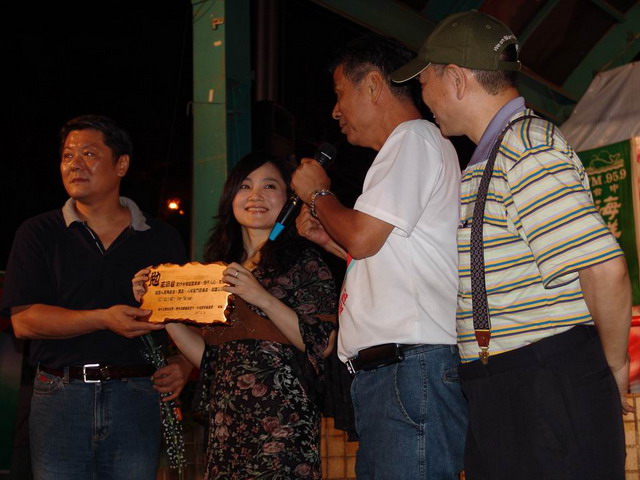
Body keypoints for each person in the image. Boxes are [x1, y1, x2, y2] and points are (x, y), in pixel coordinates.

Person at [390, 11, 633, 479]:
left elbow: (603, 267)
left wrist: (615, 365)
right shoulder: (498, 154)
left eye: (424, 83)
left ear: (456, 79)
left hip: (546, 378)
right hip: (511, 383)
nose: (424, 98)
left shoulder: (527, 147)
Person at [291, 35, 467, 479]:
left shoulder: (412, 138)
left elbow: (364, 238)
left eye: (339, 94)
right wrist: (329, 236)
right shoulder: (412, 146)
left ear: (372, 85)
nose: (335, 111)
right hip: (401, 369)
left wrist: (319, 193)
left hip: (408, 366)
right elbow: (384, 252)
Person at [2, 114, 191, 480]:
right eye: (67, 155)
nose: (75, 164)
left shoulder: (161, 237)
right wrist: (103, 319)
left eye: (88, 154)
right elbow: (23, 322)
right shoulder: (38, 232)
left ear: (121, 165)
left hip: (138, 395)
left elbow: (190, 315)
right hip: (59, 395)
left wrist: (183, 364)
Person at [133, 152, 338, 480]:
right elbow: (211, 359)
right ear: (231, 198)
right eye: (245, 186)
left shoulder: (305, 263)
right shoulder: (216, 270)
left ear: (289, 199)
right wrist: (161, 310)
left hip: (284, 429)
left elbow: (322, 343)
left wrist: (261, 297)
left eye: (269, 186)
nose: (255, 195)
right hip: (225, 429)